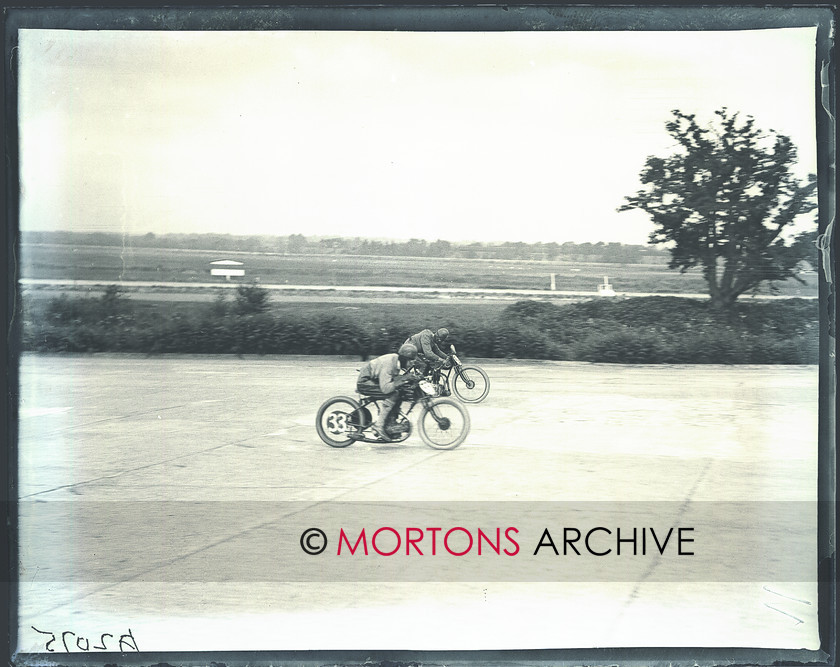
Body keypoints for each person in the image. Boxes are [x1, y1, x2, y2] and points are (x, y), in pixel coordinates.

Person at [356, 343, 418, 441]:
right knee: (393, 394)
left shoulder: (396, 362)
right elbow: (386, 388)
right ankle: (379, 426)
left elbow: (394, 380)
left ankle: (390, 423)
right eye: (410, 360)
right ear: (403, 359)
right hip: (365, 382)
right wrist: (403, 379)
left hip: (374, 380)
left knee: (400, 391)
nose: (412, 363)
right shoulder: (389, 364)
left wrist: (408, 379)